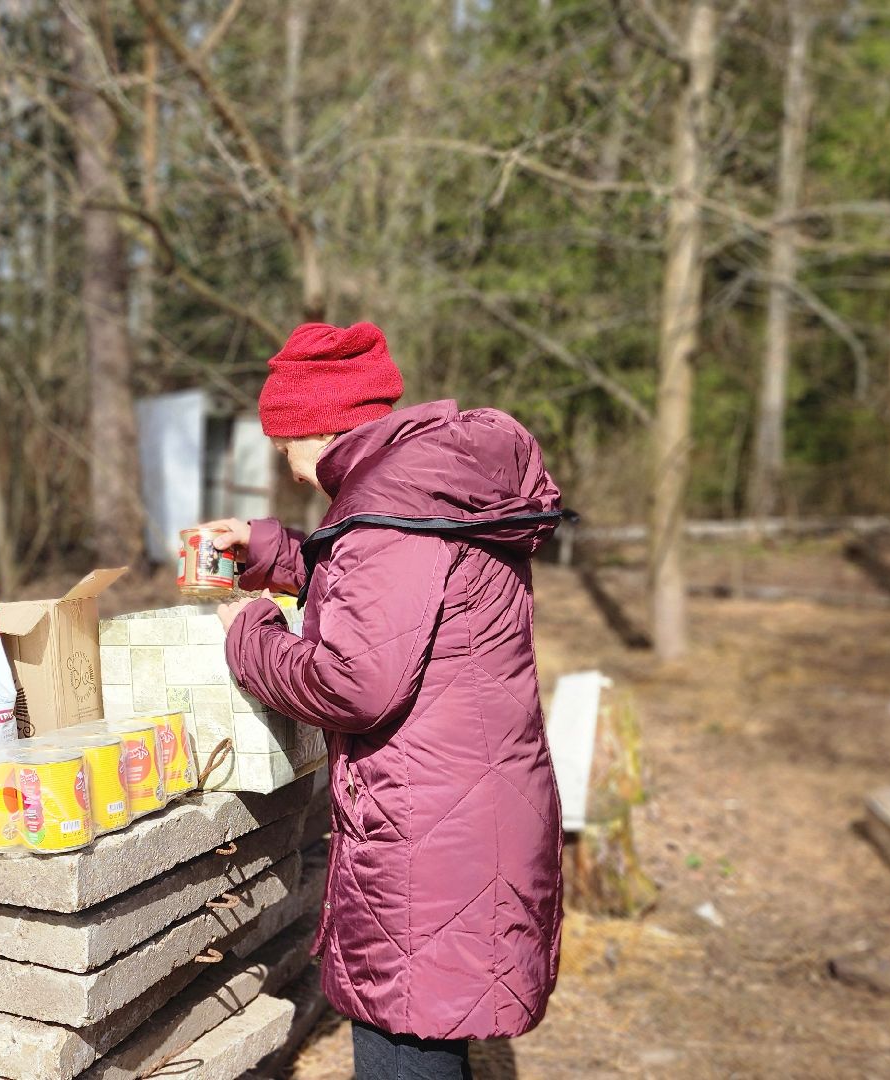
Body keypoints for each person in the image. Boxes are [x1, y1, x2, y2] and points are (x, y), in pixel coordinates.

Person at [206, 321, 565, 1080]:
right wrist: (270, 549)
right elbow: (387, 597)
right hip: (470, 805)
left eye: (289, 450)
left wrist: (250, 633)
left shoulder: (387, 512)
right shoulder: (425, 488)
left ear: (320, 427)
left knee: (404, 1037)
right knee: (429, 1031)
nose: (297, 473)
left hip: (429, 827)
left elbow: (352, 679)